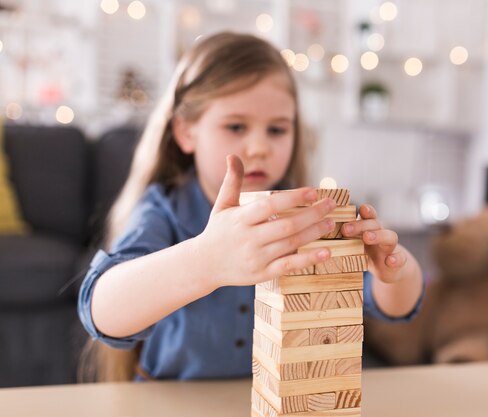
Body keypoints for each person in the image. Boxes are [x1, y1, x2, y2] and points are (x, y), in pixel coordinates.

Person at [78, 32, 424, 382]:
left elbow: (396, 308)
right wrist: (207, 260)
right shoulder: (163, 210)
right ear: (185, 132)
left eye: (277, 129)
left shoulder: (312, 216)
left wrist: (395, 271)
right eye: (236, 126)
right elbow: (100, 311)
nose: (259, 147)